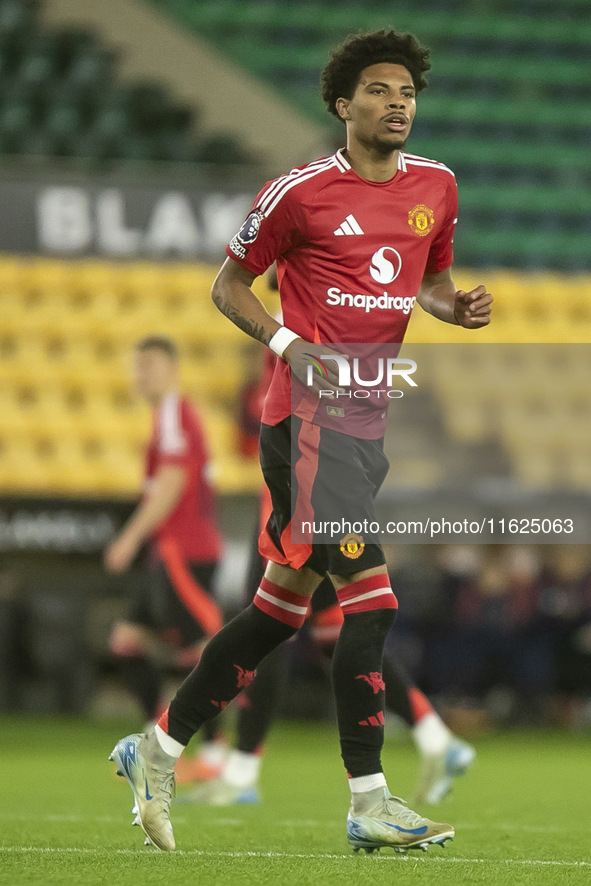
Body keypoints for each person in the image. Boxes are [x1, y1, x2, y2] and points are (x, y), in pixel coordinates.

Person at [109, 29, 492, 853]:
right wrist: (290, 346)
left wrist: (451, 307)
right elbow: (227, 286)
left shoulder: (438, 185)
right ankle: (369, 799)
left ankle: (156, 747)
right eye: (379, 91)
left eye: (406, 92)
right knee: (373, 602)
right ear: (341, 104)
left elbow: (427, 280)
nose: (397, 103)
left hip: (363, 421)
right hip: (304, 422)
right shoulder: (299, 192)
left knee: (279, 611)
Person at [185, 348, 475, 807]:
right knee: (333, 635)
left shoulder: (291, 341)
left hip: (293, 513)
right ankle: (436, 737)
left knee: (271, 632)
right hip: (316, 502)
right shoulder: (323, 333)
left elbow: (278, 435)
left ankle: (240, 768)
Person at [105, 335, 225, 766]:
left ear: (172, 368)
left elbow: (173, 482)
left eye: (150, 366)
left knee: (202, 651)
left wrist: (130, 537)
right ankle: (158, 742)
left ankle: (216, 754)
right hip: (171, 552)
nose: (142, 376)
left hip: (184, 551)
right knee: (127, 640)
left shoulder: (175, 412)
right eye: (138, 367)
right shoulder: (166, 418)